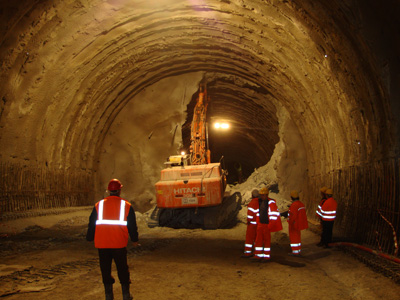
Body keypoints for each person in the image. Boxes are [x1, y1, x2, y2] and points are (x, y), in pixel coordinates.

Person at [86, 179, 139, 300]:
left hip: (102, 243)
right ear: (119, 191)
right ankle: (126, 294)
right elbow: (132, 225)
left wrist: (89, 237)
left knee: (105, 268)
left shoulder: (99, 205)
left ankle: (108, 295)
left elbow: (92, 223)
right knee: (122, 268)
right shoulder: (126, 205)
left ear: (109, 191)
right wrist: (134, 240)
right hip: (118, 243)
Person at [252, 187, 283, 262]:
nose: (261, 196)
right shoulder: (260, 201)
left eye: (263, 195)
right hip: (261, 224)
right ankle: (258, 255)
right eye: (261, 195)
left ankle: (266, 256)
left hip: (266, 224)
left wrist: (270, 225)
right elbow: (259, 213)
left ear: (266, 195)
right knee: (258, 240)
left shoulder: (270, 202)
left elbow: (274, 215)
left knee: (266, 241)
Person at [281, 190, 308, 256]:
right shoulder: (301, 204)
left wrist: (289, 221)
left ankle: (295, 252)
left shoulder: (294, 205)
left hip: (294, 224)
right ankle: (298, 250)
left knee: (294, 238)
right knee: (298, 237)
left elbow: (292, 215)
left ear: (292, 197)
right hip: (299, 224)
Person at [242, 189, 259, 258]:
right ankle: (257, 252)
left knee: (249, 238)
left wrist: (248, 221)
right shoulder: (261, 202)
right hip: (258, 223)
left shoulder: (252, 203)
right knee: (257, 239)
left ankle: (248, 252)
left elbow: (250, 215)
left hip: (252, 224)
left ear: (252, 196)